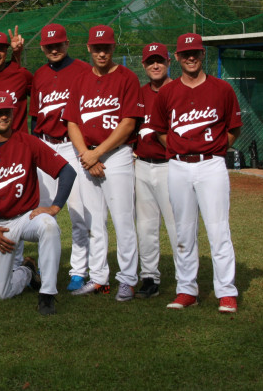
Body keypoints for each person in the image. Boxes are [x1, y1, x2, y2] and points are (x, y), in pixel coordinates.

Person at [150, 33, 242, 313]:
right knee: (184, 231)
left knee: (218, 230)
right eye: (185, 53)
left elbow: (234, 129)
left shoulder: (222, 89)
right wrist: (180, 148)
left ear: (203, 55)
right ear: (176, 58)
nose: (191, 57)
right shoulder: (167, 92)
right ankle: (186, 289)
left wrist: (212, 149)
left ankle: (226, 291)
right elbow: (161, 131)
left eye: (196, 53)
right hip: (178, 165)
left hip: (211, 164)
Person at [0, 91, 75, 315]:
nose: (2, 117)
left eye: (6, 112)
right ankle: (27, 271)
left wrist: (54, 207)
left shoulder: (28, 142)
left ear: (13, 114)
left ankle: (47, 294)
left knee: (49, 226)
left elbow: (67, 171)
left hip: (26, 218)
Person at [64, 25, 143, 301]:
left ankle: (128, 279)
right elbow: (72, 121)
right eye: (96, 47)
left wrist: (98, 154)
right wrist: (87, 153)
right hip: (86, 155)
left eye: (106, 47)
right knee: (94, 222)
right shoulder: (80, 80)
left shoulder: (127, 78)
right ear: (88, 48)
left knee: (123, 220)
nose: (101, 52)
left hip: (117, 154)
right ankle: (99, 279)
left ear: (113, 48)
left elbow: (129, 123)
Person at [29, 23, 91, 292]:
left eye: (58, 44)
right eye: (48, 45)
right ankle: (45, 266)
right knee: (43, 214)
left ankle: (78, 271)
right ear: (42, 47)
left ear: (67, 44)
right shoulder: (39, 75)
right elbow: (34, 118)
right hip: (44, 145)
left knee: (78, 212)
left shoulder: (83, 71)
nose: (54, 48)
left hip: (72, 147)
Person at [134, 42, 178, 298]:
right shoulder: (140, 94)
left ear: (169, 61)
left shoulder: (179, 90)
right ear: (144, 65)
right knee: (146, 226)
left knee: (177, 226)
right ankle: (149, 277)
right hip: (142, 165)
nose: (155, 65)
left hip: (171, 166)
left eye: (159, 60)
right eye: (150, 61)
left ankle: (186, 279)